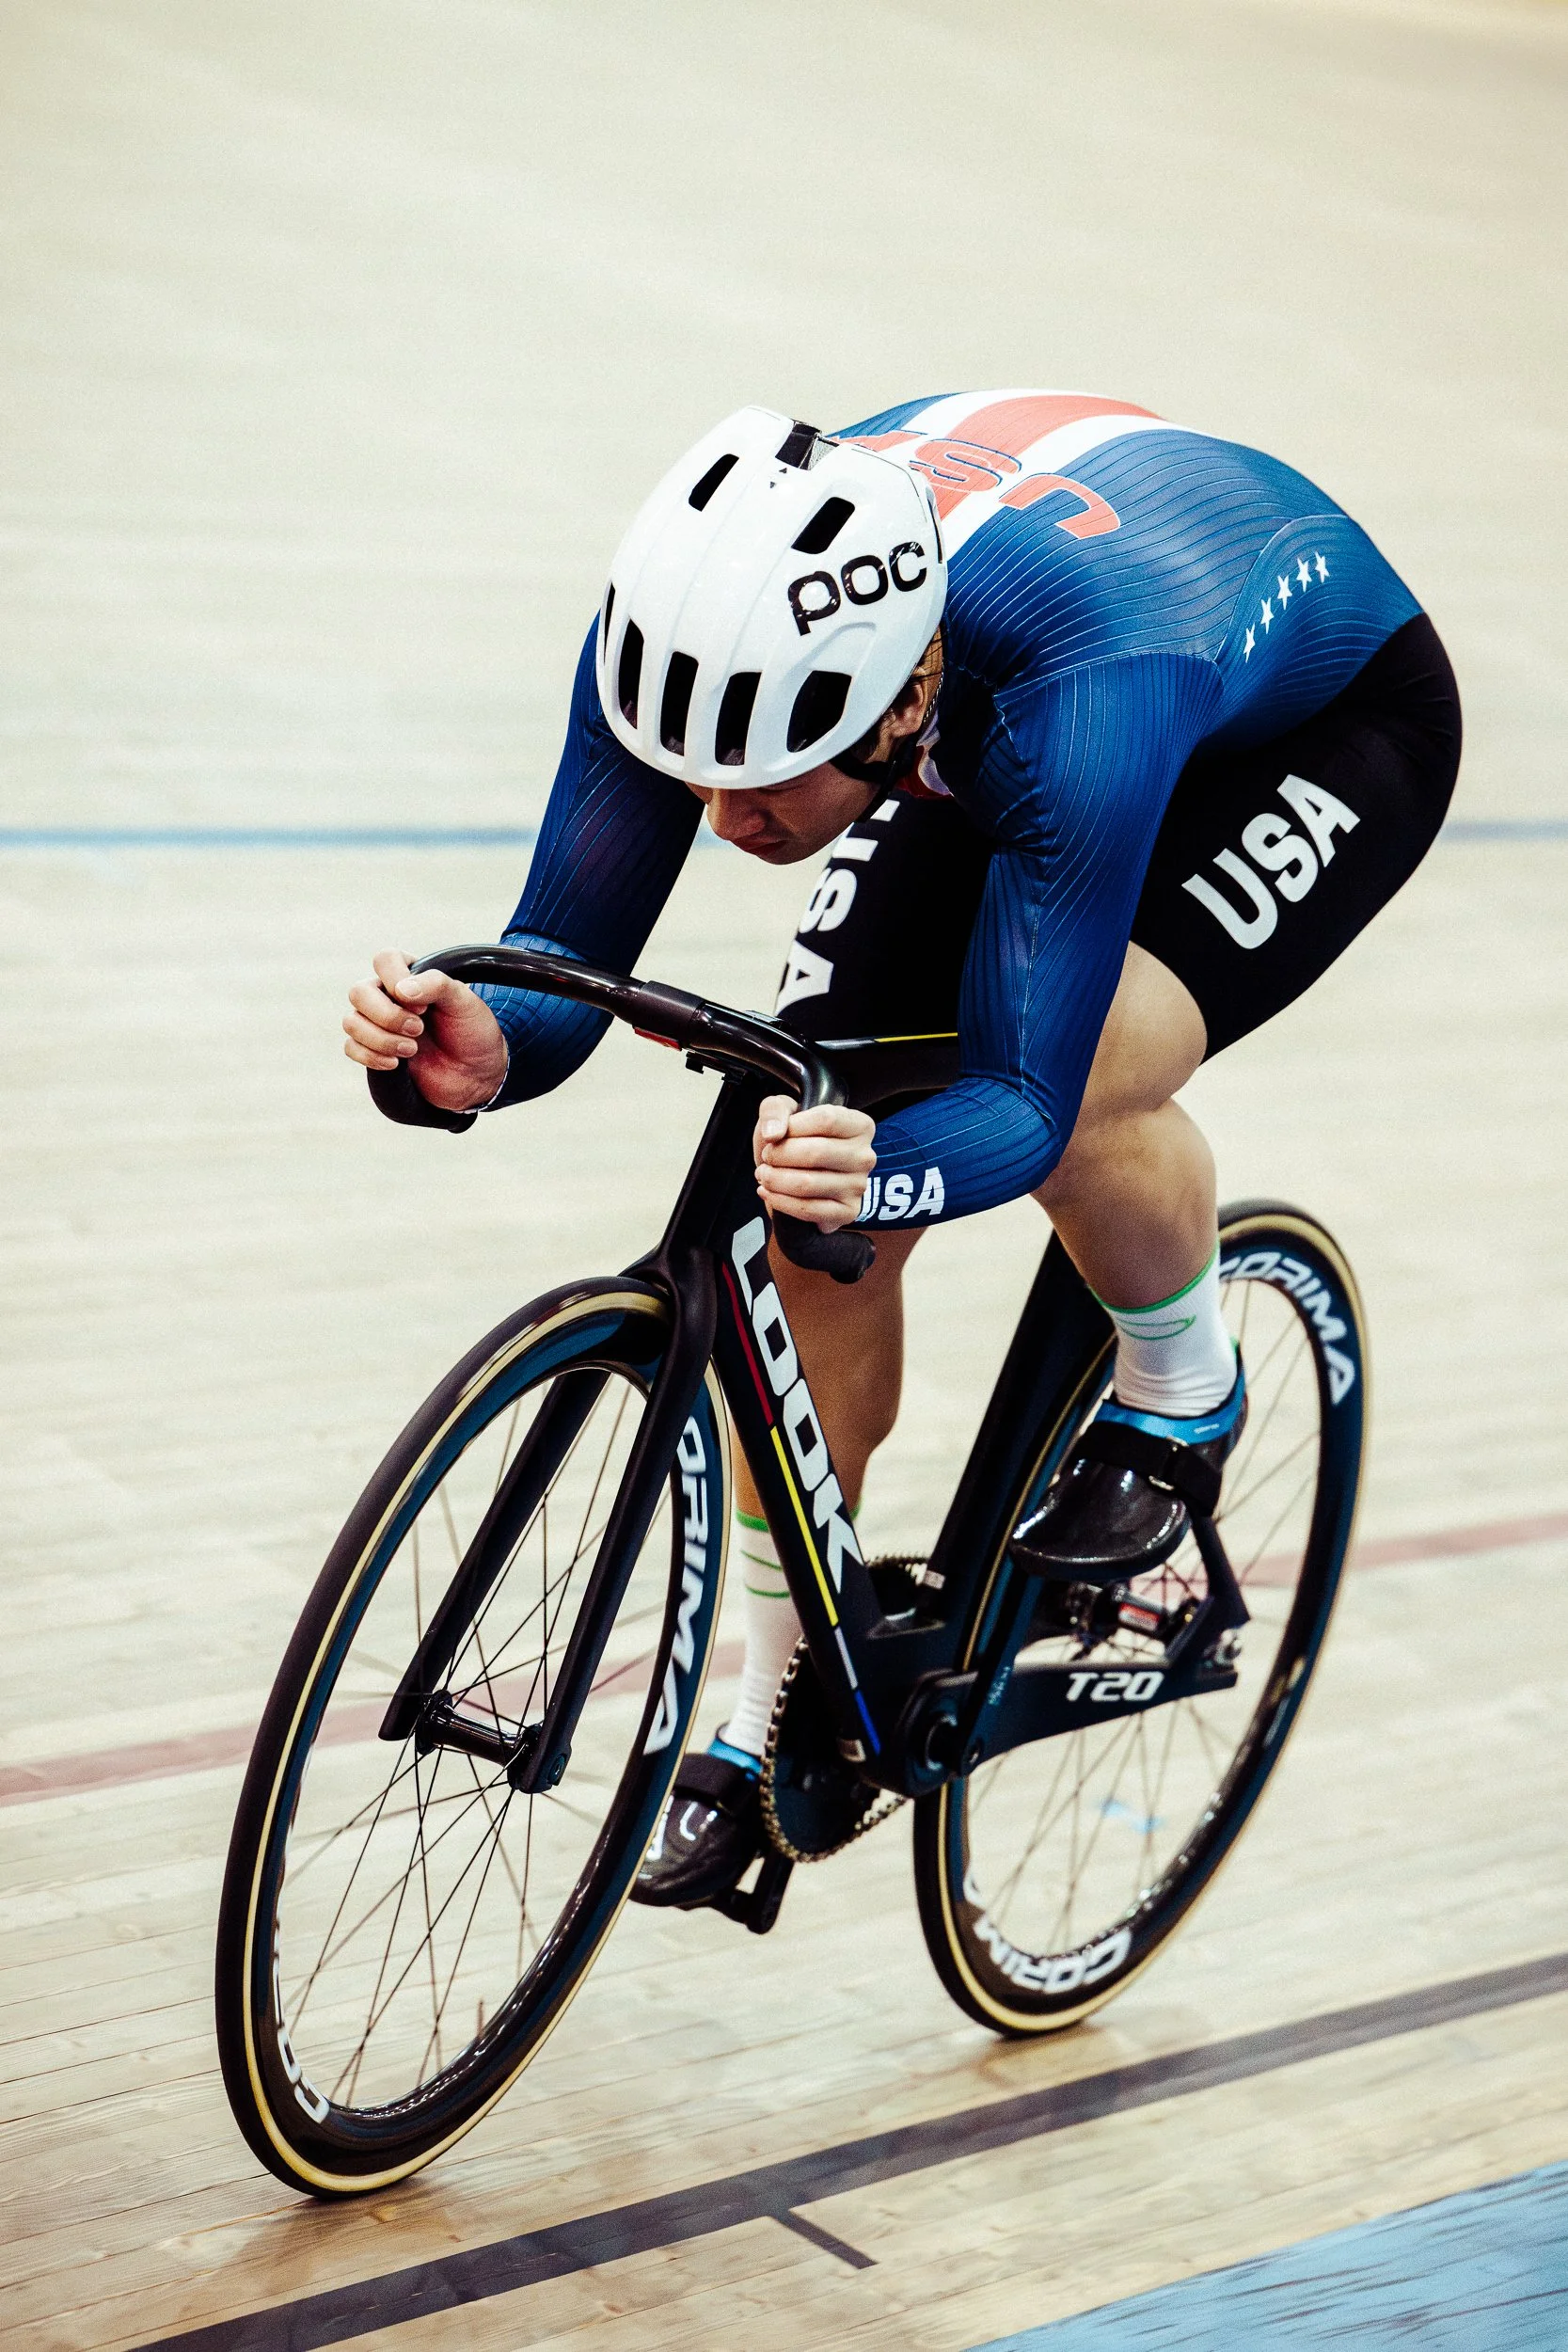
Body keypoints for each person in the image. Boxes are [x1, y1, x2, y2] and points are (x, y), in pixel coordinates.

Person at [342, 391, 1461, 1908]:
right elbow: (562, 952)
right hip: (997, 717)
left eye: (769, 774)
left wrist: (891, 1171)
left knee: (1092, 1072)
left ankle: (1180, 1388)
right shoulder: (687, 637)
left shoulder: (1072, 687)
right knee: (798, 1171)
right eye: (697, 774)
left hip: (1303, 723)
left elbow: (1018, 1096)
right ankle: (769, 1718)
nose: (728, 821)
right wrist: (476, 1052)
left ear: (892, 701)